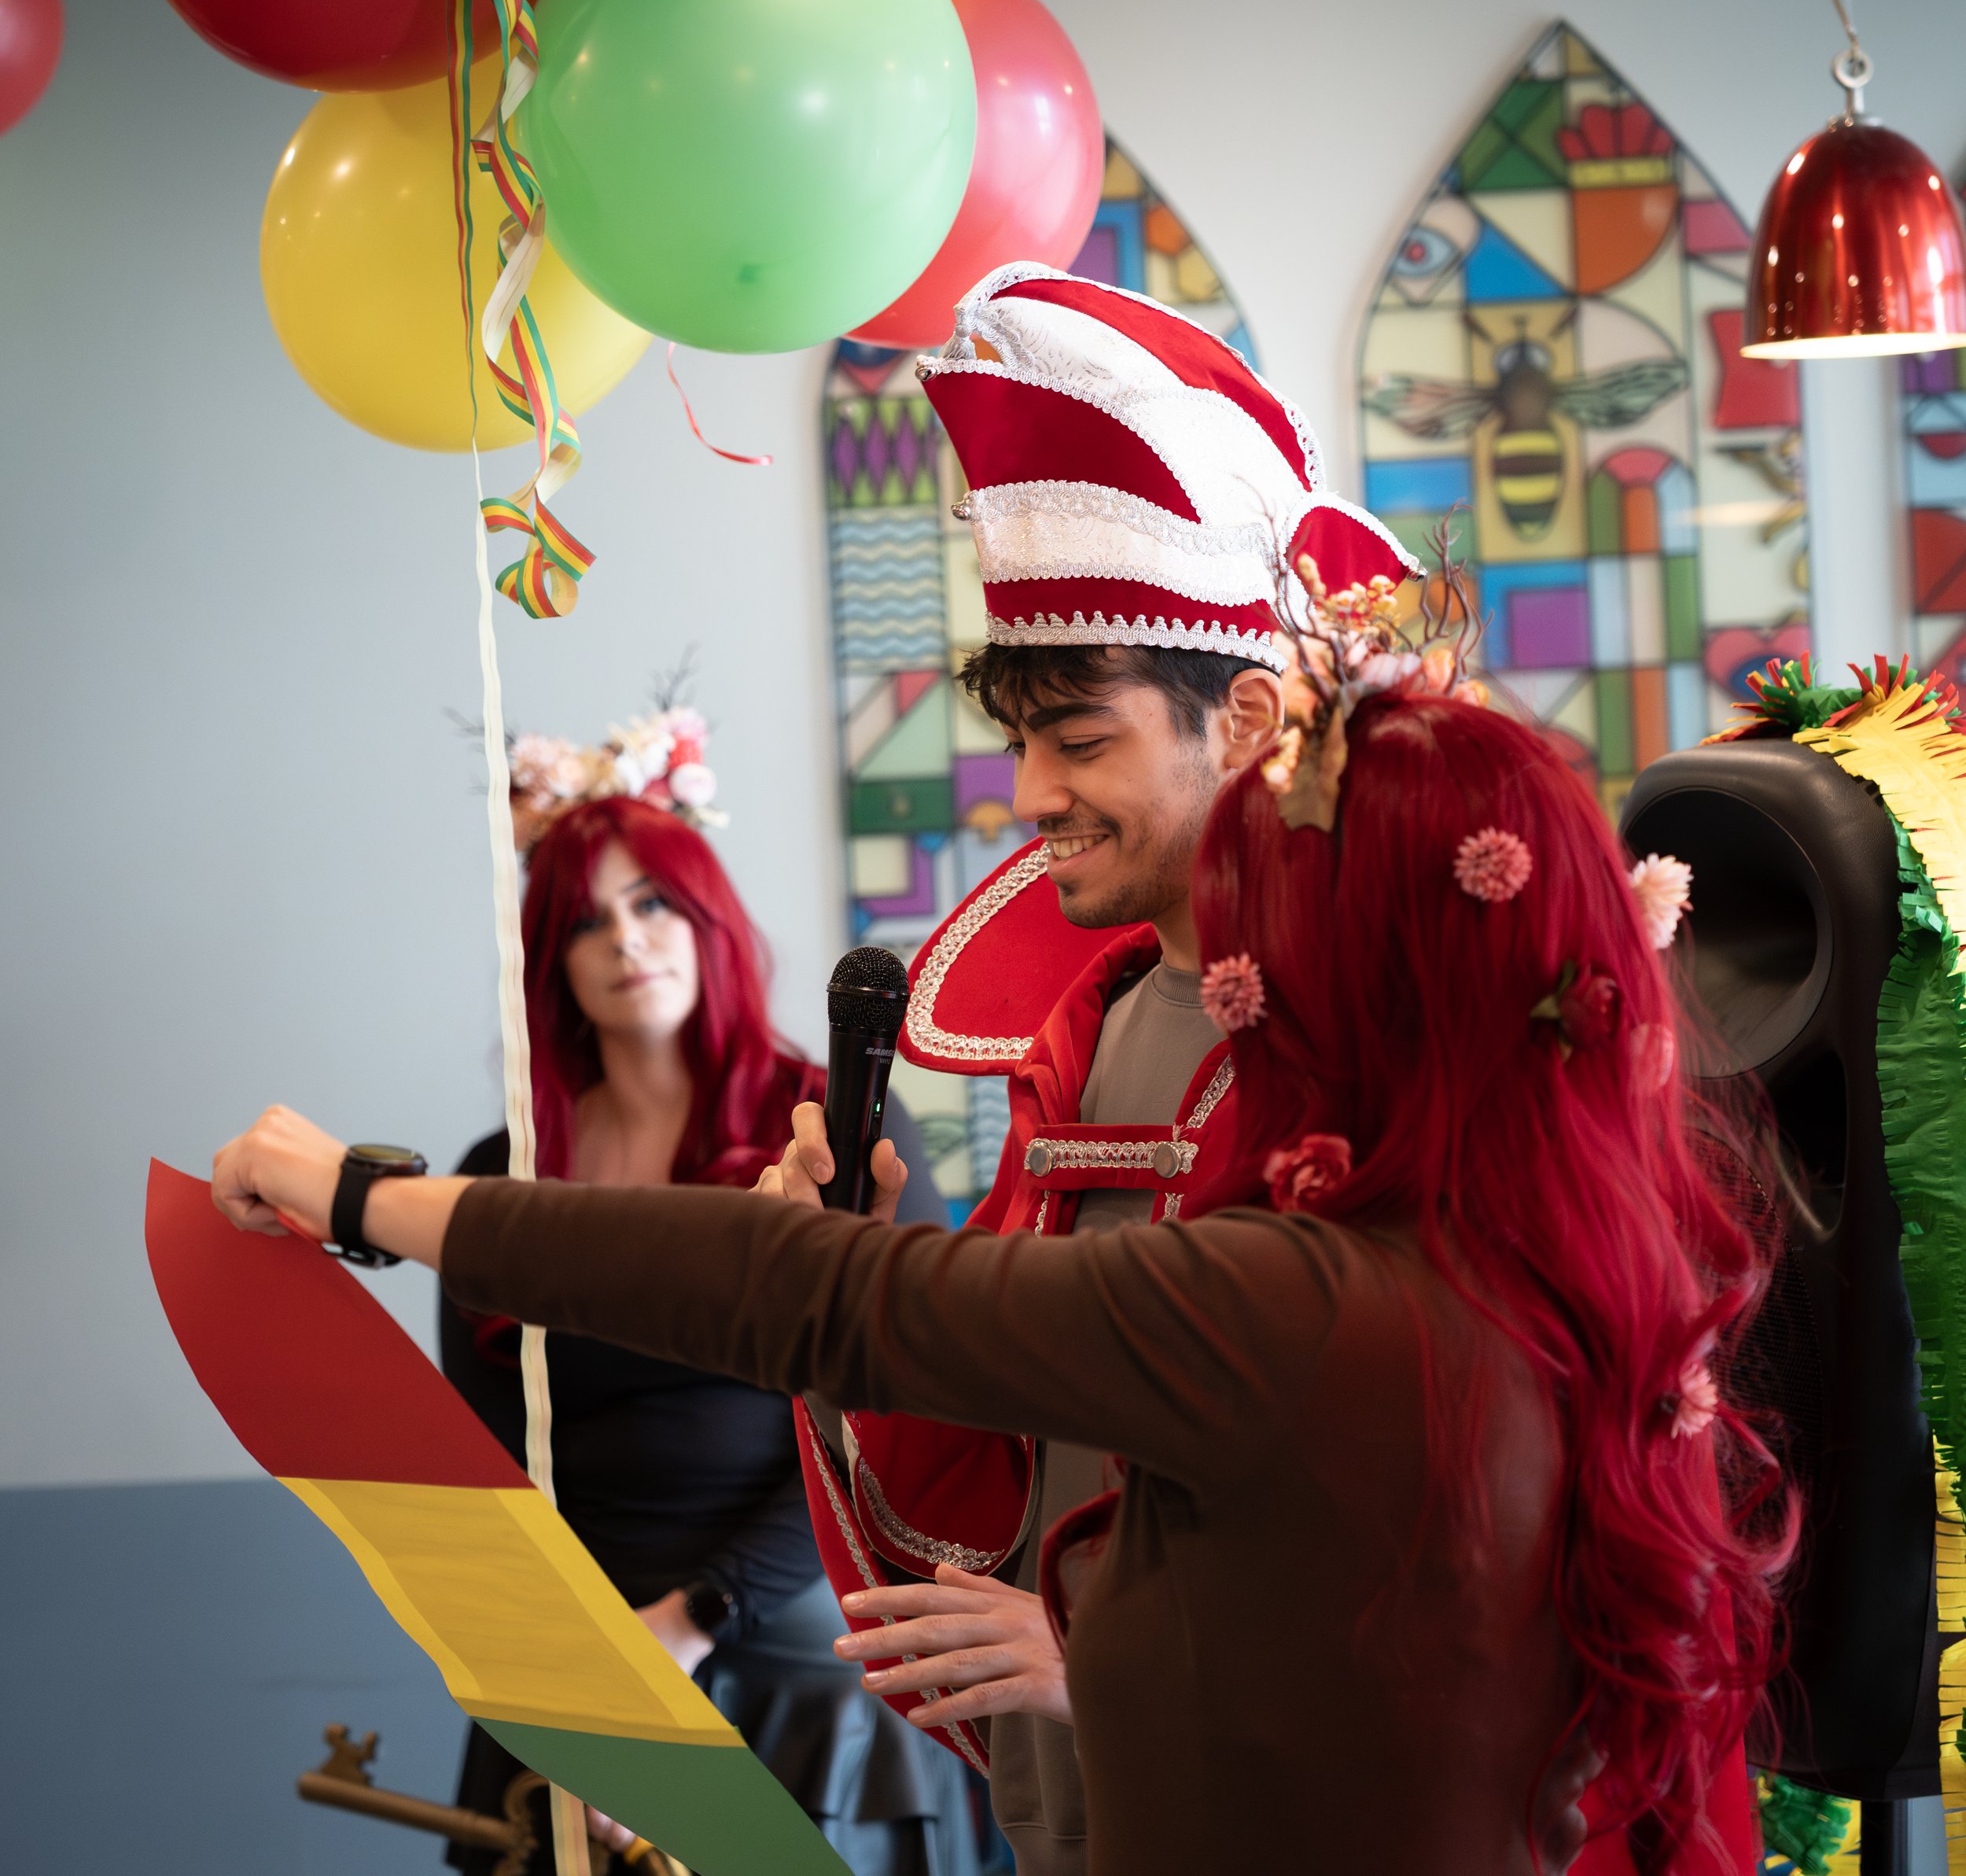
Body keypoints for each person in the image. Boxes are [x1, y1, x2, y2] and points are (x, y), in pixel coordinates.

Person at [211, 612, 1790, 1874]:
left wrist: (363, 1197)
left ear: (1370, 963)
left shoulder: (1308, 1299)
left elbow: (817, 1294)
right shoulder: (1522, 1271)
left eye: (1268, 919)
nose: (1229, 975)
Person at [787, 260, 1420, 1869]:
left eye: (1079, 742)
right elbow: (1022, 1444)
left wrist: (1097, 1656)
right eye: (1023, 744)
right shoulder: (1089, 1027)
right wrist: (854, 1274)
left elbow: (1436, 1493)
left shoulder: (1393, 1029)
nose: (1028, 796)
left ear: (1249, 718)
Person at [441, 713, 976, 1876]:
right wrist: (581, 1672)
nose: (627, 940)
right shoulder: (498, 1173)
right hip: (574, 1643)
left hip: (794, 1613)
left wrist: (693, 1622)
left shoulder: (835, 1131)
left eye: (653, 904)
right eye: (586, 921)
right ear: (549, 960)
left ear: (709, 920)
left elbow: (894, 1422)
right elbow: (484, 1462)